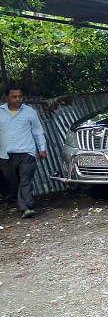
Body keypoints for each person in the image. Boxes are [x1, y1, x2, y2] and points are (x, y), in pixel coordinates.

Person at [0, 86, 47, 218]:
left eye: (20, 96)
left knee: (26, 180)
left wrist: (42, 148)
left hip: (26, 152)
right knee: (13, 182)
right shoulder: (0, 112)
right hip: (5, 154)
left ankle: (26, 207)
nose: (18, 99)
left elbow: (38, 131)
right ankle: (23, 203)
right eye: (14, 97)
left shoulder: (30, 112)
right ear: (6, 98)